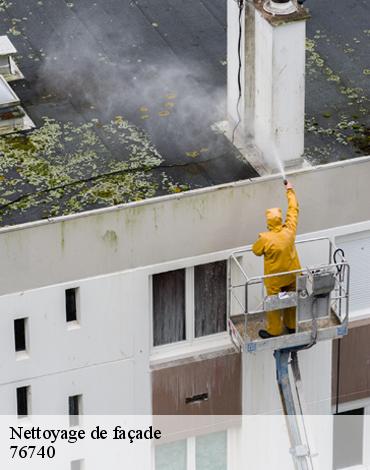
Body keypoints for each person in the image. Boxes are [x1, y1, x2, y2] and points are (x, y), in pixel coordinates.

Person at [252, 180, 301, 339]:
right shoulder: (289, 231)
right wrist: (290, 190)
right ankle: (292, 326)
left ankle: (274, 330)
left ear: (268, 222)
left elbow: (256, 251)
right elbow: (294, 209)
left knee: (273, 304)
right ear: (280, 219)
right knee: (291, 299)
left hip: (275, 279)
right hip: (293, 273)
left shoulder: (265, 239)